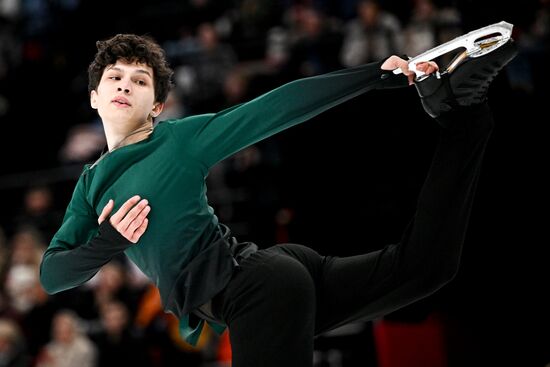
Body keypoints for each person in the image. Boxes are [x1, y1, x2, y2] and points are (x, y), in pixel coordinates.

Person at [39, 33, 517, 366]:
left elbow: (273, 108)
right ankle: (464, 115)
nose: (125, 84)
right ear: (94, 98)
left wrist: (373, 75)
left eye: (140, 80)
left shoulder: (176, 141)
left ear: (157, 106)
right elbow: (54, 274)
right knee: (426, 267)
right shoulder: (90, 184)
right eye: (115, 77)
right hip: (275, 279)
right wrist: (106, 241)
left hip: (257, 289)